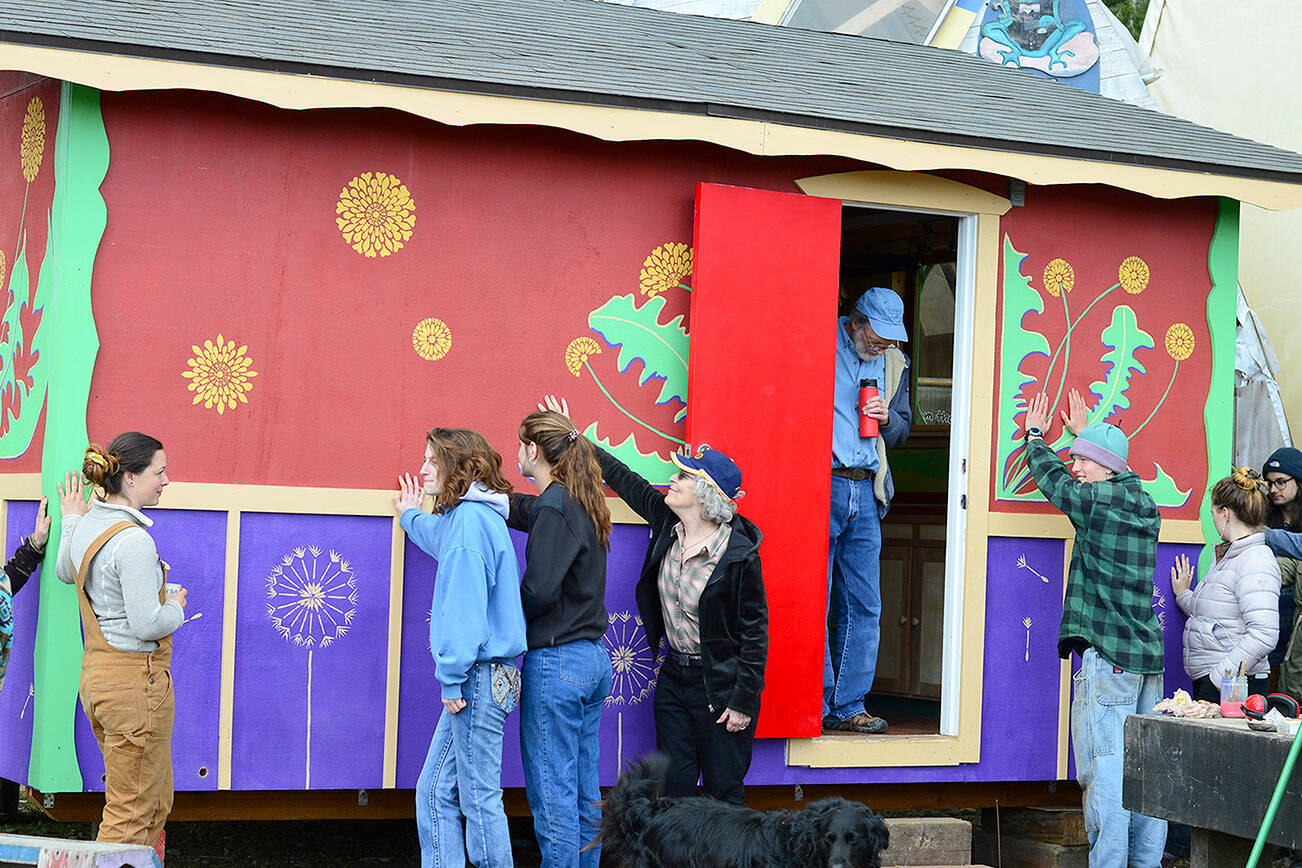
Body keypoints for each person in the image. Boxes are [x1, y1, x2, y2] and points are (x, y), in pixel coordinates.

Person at [1023, 390, 1166, 867]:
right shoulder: (1144, 505)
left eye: (1082, 459)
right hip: (1146, 661)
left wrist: (1036, 434)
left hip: (1109, 659)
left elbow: (1055, 483)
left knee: (1105, 775)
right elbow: (1082, 481)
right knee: (1146, 779)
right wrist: (1083, 436)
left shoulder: (1096, 503)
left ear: (1106, 468)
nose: (1075, 465)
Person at [593, 432, 765, 805]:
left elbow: (755, 633)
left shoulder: (739, 556)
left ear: (706, 495)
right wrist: (579, 440)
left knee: (724, 793)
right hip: (673, 677)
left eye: (684, 476)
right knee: (673, 791)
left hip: (719, 685)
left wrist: (743, 701)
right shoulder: (666, 523)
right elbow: (627, 480)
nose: (673, 478)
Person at [394, 427, 526, 868]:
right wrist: (411, 516)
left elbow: (465, 610)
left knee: (479, 802)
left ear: (458, 466)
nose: (423, 468)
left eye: (432, 461)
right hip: (488, 678)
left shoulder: (470, 524)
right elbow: (442, 538)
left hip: (477, 680)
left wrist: (451, 678)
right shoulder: (473, 517)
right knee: (433, 790)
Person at [54, 435, 186, 863]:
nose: (165, 480)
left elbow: (63, 571)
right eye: (158, 472)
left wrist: (71, 521)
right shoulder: (133, 542)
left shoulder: (90, 521)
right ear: (130, 478)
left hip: (99, 679)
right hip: (135, 684)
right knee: (130, 814)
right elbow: (148, 624)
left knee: (154, 801)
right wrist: (175, 605)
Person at [508, 409, 612, 868]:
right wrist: (494, 499)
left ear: (534, 451)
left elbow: (539, 591)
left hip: (557, 665)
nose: (516, 453)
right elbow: (532, 511)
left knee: (553, 801)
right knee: (583, 793)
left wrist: (499, 620)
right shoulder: (580, 500)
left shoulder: (555, 504)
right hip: (592, 661)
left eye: (519, 444)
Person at [825, 286, 911, 734]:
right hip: (822, 485)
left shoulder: (894, 363)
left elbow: (902, 430)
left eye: (889, 340)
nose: (881, 347)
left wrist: (887, 419)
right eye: (876, 338)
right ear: (855, 322)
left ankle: (849, 704)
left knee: (865, 605)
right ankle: (816, 700)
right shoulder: (820, 343)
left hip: (867, 489)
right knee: (816, 599)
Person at [1171, 469, 1280, 701]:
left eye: (1213, 513)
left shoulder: (1255, 560)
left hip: (1233, 685)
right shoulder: (1230, 556)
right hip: (1221, 681)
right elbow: (1217, 617)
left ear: (1226, 513)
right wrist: (1184, 595)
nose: (1212, 519)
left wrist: (1219, 678)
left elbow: (1264, 633)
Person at [1263, 447, 1302, 700]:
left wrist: (1264, 535)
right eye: (1269, 483)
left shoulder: (1262, 528)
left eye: (1280, 482)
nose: (1273, 489)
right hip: (1270, 624)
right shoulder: (1263, 514)